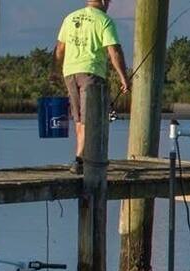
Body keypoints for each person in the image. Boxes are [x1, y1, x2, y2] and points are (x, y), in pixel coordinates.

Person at [55, 0, 130, 173]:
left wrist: (55, 71)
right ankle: (81, 159)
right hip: (91, 72)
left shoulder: (70, 18)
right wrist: (124, 78)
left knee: (79, 117)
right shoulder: (104, 20)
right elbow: (114, 51)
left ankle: (80, 157)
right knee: (90, 117)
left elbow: (60, 48)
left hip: (70, 72)